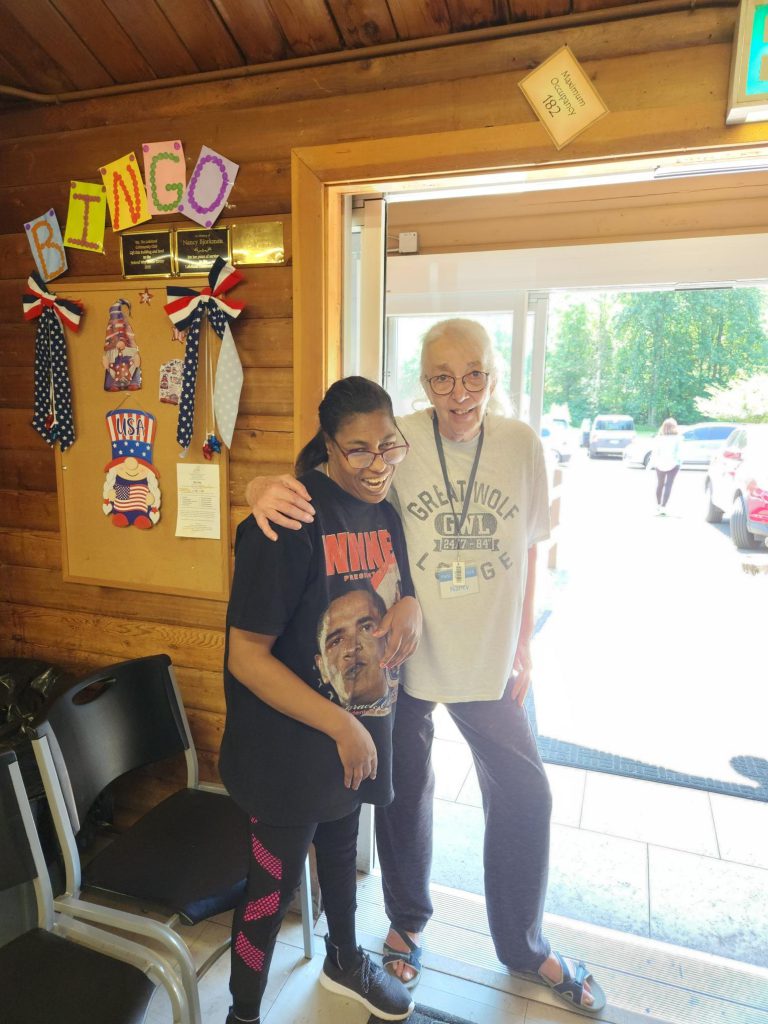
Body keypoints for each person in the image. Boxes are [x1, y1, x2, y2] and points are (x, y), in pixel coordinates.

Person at [245, 319, 606, 1015]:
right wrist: (261, 486)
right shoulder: (398, 438)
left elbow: (532, 545)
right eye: (442, 377)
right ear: (424, 382)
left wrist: (526, 640)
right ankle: (407, 922)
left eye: (473, 374)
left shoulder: (522, 444)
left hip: (491, 655)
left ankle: (522, 945)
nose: (459, 392)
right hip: (403, 657)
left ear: (492, 374)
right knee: (404, 791)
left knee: (527, 794)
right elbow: (313, 473)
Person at [221, 376, 421, 1024]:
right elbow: (245, 656)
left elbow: (397, 585)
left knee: (340, 843)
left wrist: (411, 602)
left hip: (358, 733)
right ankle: (242, 1014)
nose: (377, 464)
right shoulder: (291, 518)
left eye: (389, 446)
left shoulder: (385, 510)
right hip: (288, 749)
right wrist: (342, 727)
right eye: (359, 450)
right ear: (329, 447)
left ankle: (343, 959)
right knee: (269, 893)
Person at [650, 417, 682, 515]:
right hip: (673, 463)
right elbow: (680, 452)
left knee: (660, 484)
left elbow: (655, 452)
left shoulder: (659, 438)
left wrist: (653, 463)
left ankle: (658, 506)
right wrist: (679, 462)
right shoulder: (678, 438)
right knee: (669, 485)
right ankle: (663, 507)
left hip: (660, 463)